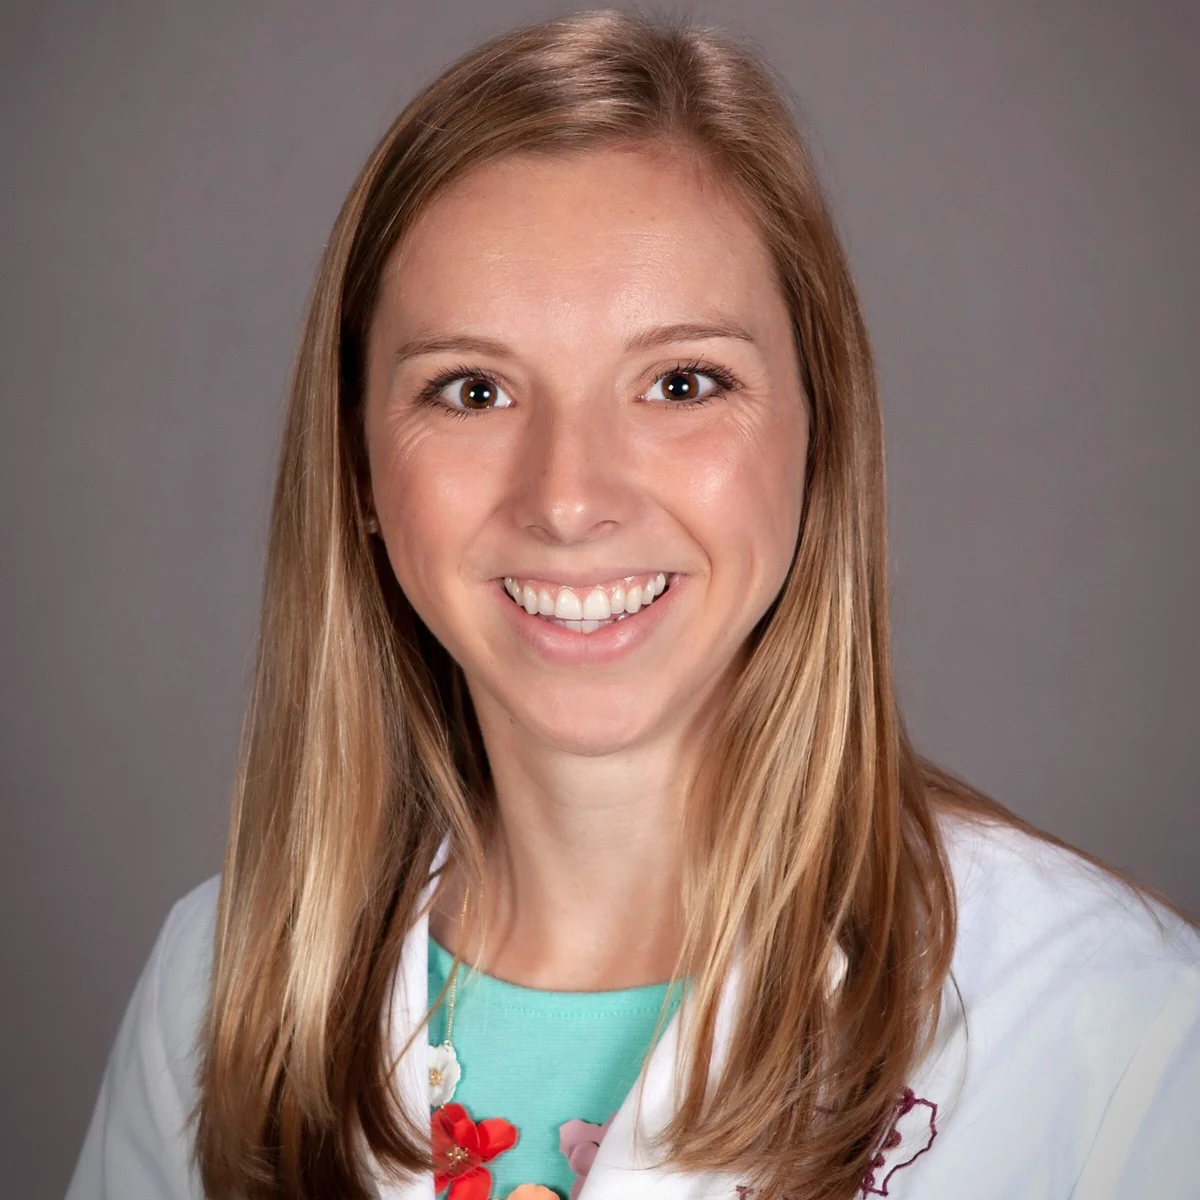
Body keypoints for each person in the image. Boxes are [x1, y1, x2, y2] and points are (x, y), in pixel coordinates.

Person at [66, 10, 1200, 1200]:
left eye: (681, 383)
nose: (569, 499)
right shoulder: (213, 994)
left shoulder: (1115, 1029)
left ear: (821, 433)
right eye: (472, 390)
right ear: (355, 466)